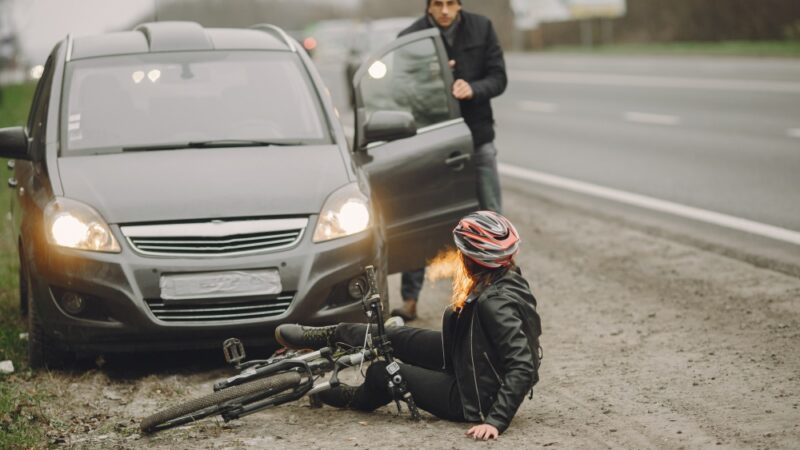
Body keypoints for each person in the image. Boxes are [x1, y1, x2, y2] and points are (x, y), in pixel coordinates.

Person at [276, 211, 541, 440]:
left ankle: (354, 397)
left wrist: (494, 421)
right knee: (392, 335)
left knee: (384, 371)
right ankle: (326, 335)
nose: (458, 256)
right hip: (467, 359)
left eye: (462, 252)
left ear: (474, 258)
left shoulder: (495, 303)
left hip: (470, 397)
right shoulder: (502, 278)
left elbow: (523, 364)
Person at [392, 0, 508, 322]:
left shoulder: (481, 28)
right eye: (438, 4)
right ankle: (410, 299)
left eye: (451, 3)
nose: (445, 10)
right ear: (428, 6)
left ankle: (499, 291)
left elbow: (499, 78)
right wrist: (436, 84)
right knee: (419, 217)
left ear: (459, 5)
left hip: (477, 137)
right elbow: (400, 92)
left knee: (490, 216)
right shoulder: (411, 38)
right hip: (429, 142)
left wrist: (473, 87)